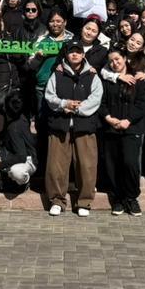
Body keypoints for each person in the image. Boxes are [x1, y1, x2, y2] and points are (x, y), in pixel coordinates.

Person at [44, 42, 102, 217]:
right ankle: (57, 200)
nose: (75, 55)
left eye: (78, 52)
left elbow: (96, 98)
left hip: (84, 126)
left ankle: (84, 202)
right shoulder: (57, 74)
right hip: (60, 126)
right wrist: (64, 104)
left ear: (83, 55)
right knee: (56, 166)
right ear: (66, 55)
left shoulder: (92, 75)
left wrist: (76, 108)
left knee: (86, 166)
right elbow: (49, 96)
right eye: (71, 52)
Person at [99, 50, 145, 216]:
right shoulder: (107, 80)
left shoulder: (138, 79)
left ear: (125, 59)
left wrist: (128, 120)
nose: (114, 63)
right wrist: (108, 118)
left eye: (117, 59)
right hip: (111, 128)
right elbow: (101, 102)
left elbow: (143, 104)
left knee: (130, 163)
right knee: (112, 165)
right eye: (111, 61)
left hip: (131, 128)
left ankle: (131, 197)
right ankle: (117, 198)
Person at [0, 92, 39, 194]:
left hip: (27, 161)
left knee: (17, 172)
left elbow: (21, 157)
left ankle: (22, 183)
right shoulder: (18, 117)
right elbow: (3, 135)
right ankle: (2, 177)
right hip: (10, 154)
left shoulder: (15, 127)